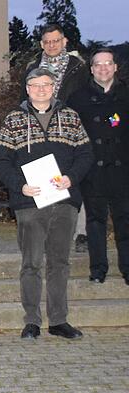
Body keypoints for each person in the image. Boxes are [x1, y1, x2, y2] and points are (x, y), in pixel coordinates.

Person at [0, 68, 93, 340]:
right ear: (27, 89)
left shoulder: (70, 117)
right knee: (32, 263)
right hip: (28, 203)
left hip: (64, 201)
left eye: (45, 85)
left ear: (54, 87)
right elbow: (0, 160)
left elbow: (86, 153)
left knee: (60, 262)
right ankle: (32, 321)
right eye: (35, 85)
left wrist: (71, 178)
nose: (40, 89)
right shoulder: (14, 119)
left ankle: (59, 320)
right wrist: (19, 186)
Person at [23, 24, 91, 252]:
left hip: (71, 132)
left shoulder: (78, 68)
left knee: (75, 181)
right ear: (42, 44)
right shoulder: (33, 67)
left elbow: (88, 98)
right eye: (47, 42)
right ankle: (50, 231)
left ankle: (81, 233)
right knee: (46, 181)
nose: (51, 45)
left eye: (56, 41)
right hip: (42, 131)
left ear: (64, 42)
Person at [68, 48, 129, 285]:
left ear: (115, 67)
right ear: (91, 69)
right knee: (95, 223)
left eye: (108, 64)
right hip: (92, 171)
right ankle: (98, 269)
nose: (103, 68)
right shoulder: (77, 99)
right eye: (98, 64)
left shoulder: (126, 95)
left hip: (122, 171)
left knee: (125, 221)